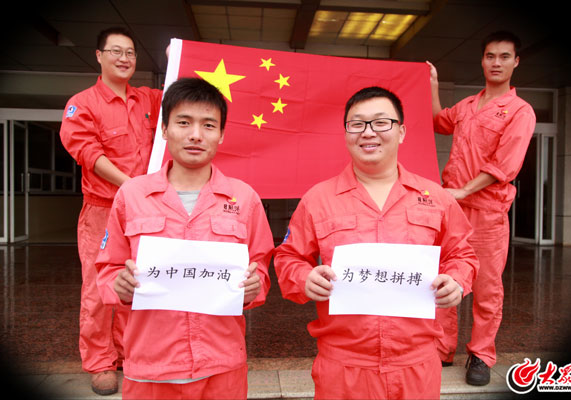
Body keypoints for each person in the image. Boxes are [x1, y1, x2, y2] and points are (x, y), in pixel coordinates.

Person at [274, 86, 479, 399]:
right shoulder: (318, 199)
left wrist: (457, 281)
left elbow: (462, 254)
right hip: (344, 367)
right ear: (346, 133)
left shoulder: (436, 198)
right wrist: (304, 278)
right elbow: (288, 257)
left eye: (381, 122)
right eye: (357, 124)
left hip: (416, 365)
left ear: (401, 132)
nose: (368, 132)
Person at [95, 77, 273, 399]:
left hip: (222, 368)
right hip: (150, 367)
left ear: (221, 134)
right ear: (164, 129)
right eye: (183, 122)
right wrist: (118, 285)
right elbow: (107, 269)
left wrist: (254, 286)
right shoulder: (131, 196)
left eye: (208, 125)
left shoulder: (244, 199)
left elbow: (260, 267)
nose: (195, 134)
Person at [427, 30, 536, 386]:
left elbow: (505, 166)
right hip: (452, 211)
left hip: (487, 213)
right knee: (444, 280)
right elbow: (438, 121)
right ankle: (441, 349)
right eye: (490, 56)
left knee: (487, 289)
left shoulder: (520, 111)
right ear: (482, 60)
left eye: (504, 56)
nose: (496, 63)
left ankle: (481, 354)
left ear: (515, 62)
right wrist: (432, 85)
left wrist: (463, 191)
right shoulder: (467, 105)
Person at [59, 27, 163, 395]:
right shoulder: (83, 104)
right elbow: (88, 153)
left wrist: (181, 60)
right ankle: (101, 362)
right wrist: (130, 185)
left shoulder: (148, 99)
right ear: (99, 56)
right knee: (98, 289)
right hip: (103, 210)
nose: (124, 58)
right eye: (116, 51)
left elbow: (185, 98)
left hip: (143, 212)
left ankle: (128, 354)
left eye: (130, 52)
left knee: (138, 282)